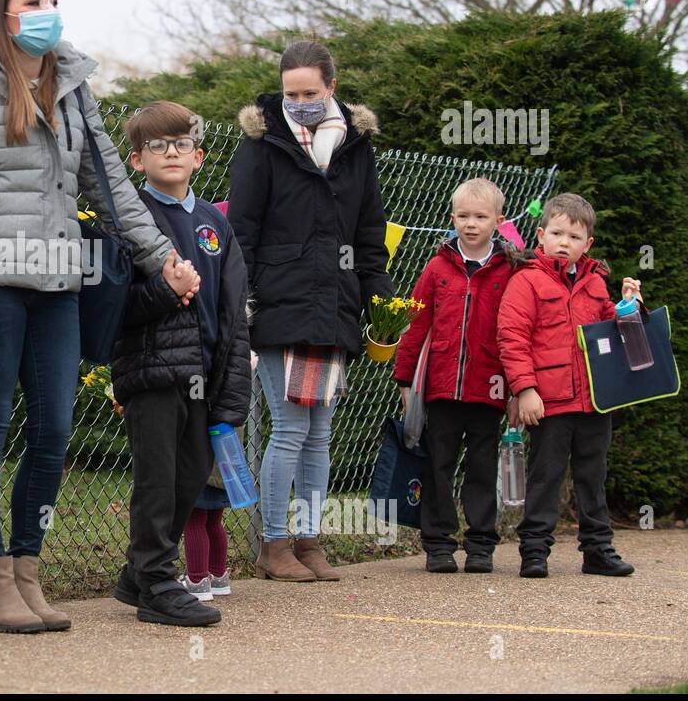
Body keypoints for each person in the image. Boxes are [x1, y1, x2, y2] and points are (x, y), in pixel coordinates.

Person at [0, 0, 181, 633]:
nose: (49, 10)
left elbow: (111, 186)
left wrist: (164, 258)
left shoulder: (72, 88)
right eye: (34, 1)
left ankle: (28, 573)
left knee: (54, 432)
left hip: (58, 283)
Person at [227, 40, 392, 583]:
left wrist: (379, 300)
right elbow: (242, 230)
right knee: (291, 429)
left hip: (335, 305)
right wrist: (243, 299)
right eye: (289, 92)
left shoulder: (356, 146)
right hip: (278, 305)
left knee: (319, 434)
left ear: (332, 88)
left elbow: (369, 232)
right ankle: (274, 545)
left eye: (309, 92)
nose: (298, 101)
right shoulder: (262, 143)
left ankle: (309, 538)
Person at [109, 101, 251, 626]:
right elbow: (116, 309)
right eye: (157, 146)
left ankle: (136, 575)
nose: (171, 152)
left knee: (191, 477)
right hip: (153, 370)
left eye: (182, 144)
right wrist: (166, 294)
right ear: (136, 161)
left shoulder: (216, 222)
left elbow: (235, 311)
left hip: (203, 374)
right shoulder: (129, 219)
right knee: (158, 479)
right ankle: (158, 584)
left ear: (199, 156)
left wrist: (231, 388)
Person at [497, 193, 639, 578]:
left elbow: (616, 334)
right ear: (540, 235)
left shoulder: (595, 284)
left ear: (587, 244)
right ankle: (534, 551)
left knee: (593, 477)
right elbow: (512, 338)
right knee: (546, 476)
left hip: (595, 402)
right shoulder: (526, 281)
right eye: (557, 233)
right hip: (549, 402)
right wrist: (524, 389)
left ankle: (597, 550)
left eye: (574, 237)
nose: (564, 242)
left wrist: (628, 306)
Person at [392, 178, 522, 573]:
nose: (471, 224)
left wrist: (519, 388)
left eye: (480, 217)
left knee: (482, 469)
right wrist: (404, 381)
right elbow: (416, 324)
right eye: (463, 216)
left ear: (497, 221)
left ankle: (481, 544)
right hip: (441, 387)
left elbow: (517, 331)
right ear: (452, 218)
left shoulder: (510, 270)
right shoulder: (437, 268)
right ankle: (438, 544)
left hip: (490, 389)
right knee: (438, 466)